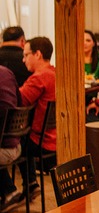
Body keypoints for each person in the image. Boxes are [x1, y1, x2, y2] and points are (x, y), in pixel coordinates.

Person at [18, 36, 57, 198]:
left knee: (12, 142)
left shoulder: (39, 78)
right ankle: (31, 183)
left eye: (26, 55)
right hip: (56, 137)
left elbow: (17, 100)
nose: (23, 60)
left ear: (38, 54)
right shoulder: (55, 73)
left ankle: (26, 184)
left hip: (42, 141)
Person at [0, 65, 24, 211]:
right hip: (17, 144)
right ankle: (9, 190)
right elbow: (20, 103)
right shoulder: (7, 71)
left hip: (4, 149)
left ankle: (9, 190)